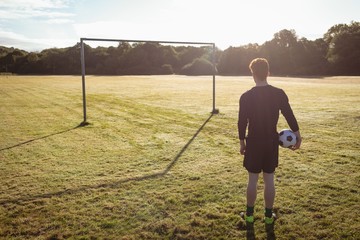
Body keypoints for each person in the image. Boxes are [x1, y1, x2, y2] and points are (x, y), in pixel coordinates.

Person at [238, 58, 301, 225]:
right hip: (271, 142)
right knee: (269, 180)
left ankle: (249, 216)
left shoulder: (246, 96)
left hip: (253, 142)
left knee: (252, 180)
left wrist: (242, 142)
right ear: (268, 73)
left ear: (253, 74)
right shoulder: (279, 93)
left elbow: (241, 122)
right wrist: (297, 134)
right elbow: (289, 114)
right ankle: (267, 217)